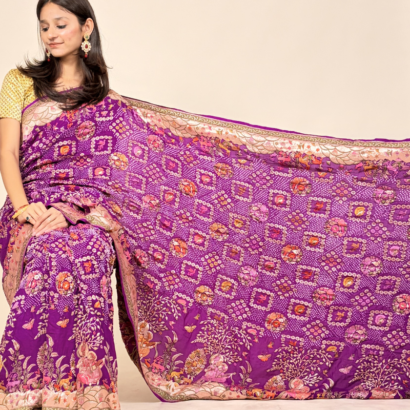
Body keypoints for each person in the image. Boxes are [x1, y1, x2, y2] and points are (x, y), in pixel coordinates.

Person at [1, 0, 410, 407]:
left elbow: (114, 174)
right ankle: (28, 385)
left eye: (60, 24)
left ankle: (78, 388)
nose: (51, 34)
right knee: (52, 250)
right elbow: (7, 152)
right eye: (44, 26)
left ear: (86, 28)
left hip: (84, 214)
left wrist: (74, 212)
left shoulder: (106, 101)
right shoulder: (19, 82)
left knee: (88, 248)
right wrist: (24, 208)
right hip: (30, 204)